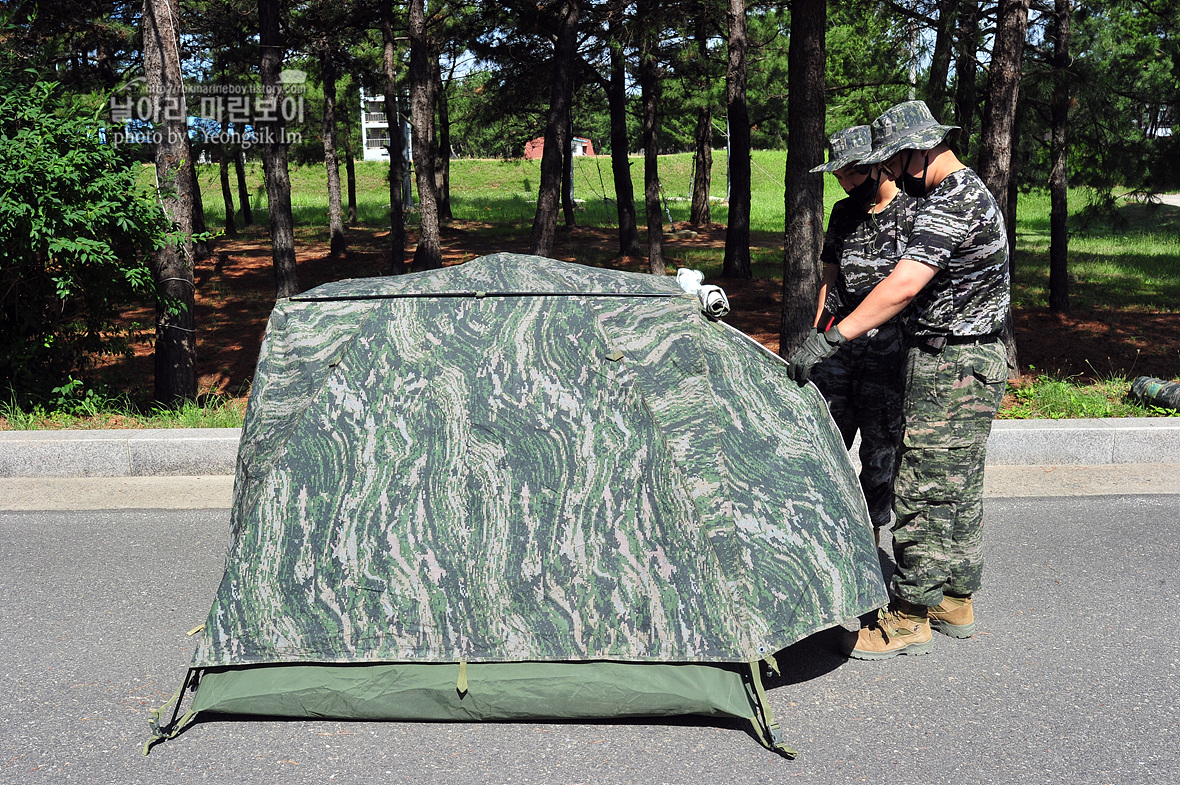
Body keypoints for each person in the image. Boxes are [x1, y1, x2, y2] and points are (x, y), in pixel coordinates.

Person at [787, 100, 1010, 660]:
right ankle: (954, 599)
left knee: (924, 493)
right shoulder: (964, 192)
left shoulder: (950, 199)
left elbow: (905, 285)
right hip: (967, 358)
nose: (890, 169)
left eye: (894, 157)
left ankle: (908, 617)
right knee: (956, 489)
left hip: (950, 362)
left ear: (915, 153)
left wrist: (837, 336)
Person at [807, 125, 918, 545]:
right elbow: (831, 272)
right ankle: (828, 531)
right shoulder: (843, 211)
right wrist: (819, 330)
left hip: (890, 346)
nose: (847, 183)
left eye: (853, 173)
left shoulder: (912, 210)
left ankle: (870, 538)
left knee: (879, 450)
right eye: (839, 176)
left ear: (878, 165)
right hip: (841, 341)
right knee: (828, 436)